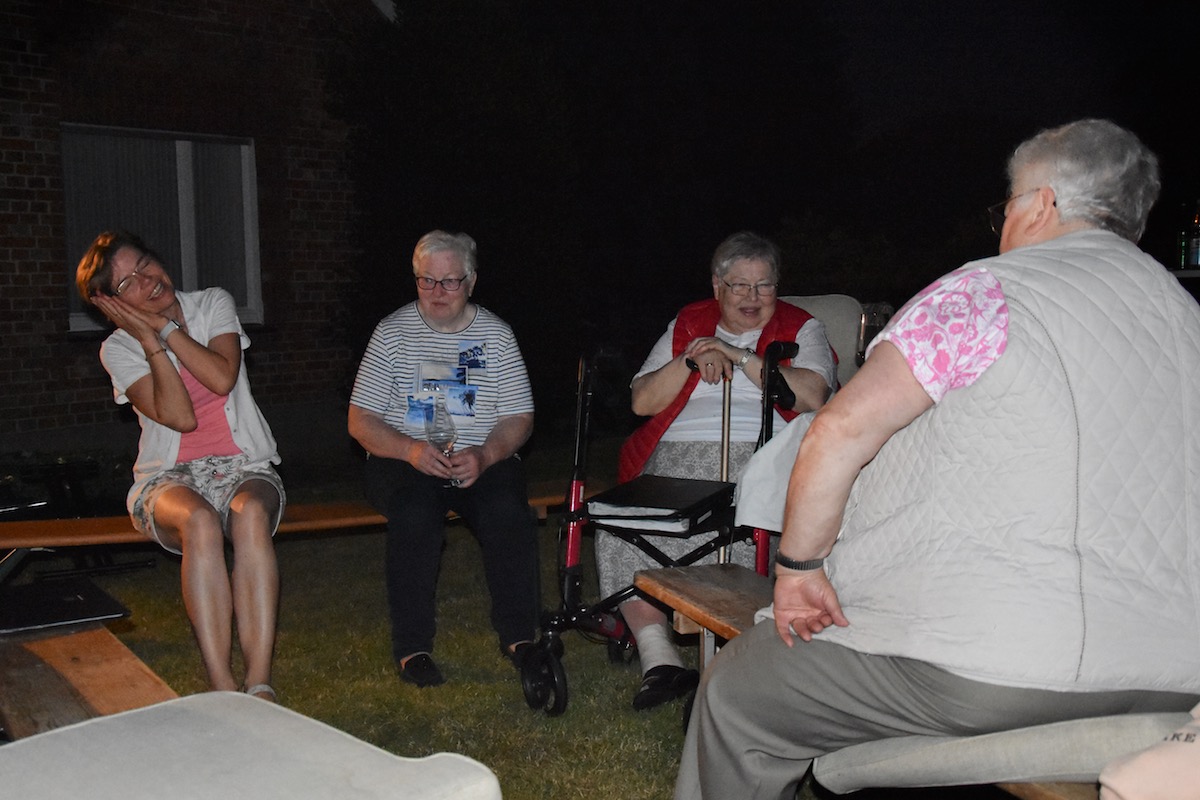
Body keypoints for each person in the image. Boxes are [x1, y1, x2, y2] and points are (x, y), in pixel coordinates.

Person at [675, 119, 1200, 800]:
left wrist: (799, 570)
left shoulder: (983, 293)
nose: (1002, 224)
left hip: (1001, 666)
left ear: (1041, 204)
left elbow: (839, 432)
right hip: (1176, 676)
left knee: (739, 691)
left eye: (1007, 205)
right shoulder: (1186, 317)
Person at [597, 231, 837, 710]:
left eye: (764, 285)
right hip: (672, 459)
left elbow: (813, 395)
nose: (752, 297)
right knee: (621, 526)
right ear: (716, 286)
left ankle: (734, 660)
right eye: (739, 285)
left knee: (742, 530)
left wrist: (738, 356)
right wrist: (690, 358)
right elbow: (642, 400)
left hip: (759, 455)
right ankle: (660, 660)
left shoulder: (801, 327)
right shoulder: (688, 322)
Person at [76, 230, 285, 701]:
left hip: (243, 464)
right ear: (113, 305)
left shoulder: (212, 304)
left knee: (251, 513)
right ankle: (221, 685)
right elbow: (180, 417)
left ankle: (259, 683)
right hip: (169, 477)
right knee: (199, 521)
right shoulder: (118, 349)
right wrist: (148, 339)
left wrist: (167, 328)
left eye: (145, 264)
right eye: (127, 283)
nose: (148, 280)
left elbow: (221, 376)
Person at [348, 230, 538, 688]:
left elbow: (519, 417)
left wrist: (486, 454)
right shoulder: (391, 333)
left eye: (449, 281)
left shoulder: (496, 335)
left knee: (507, 511)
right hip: (403, 458)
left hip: (479, 456)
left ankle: (520, 637)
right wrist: (410, 450)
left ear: (471, 282)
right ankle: (412, 648)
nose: (437, 292)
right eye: (426, 281)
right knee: (414, 514)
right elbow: (360, 420)